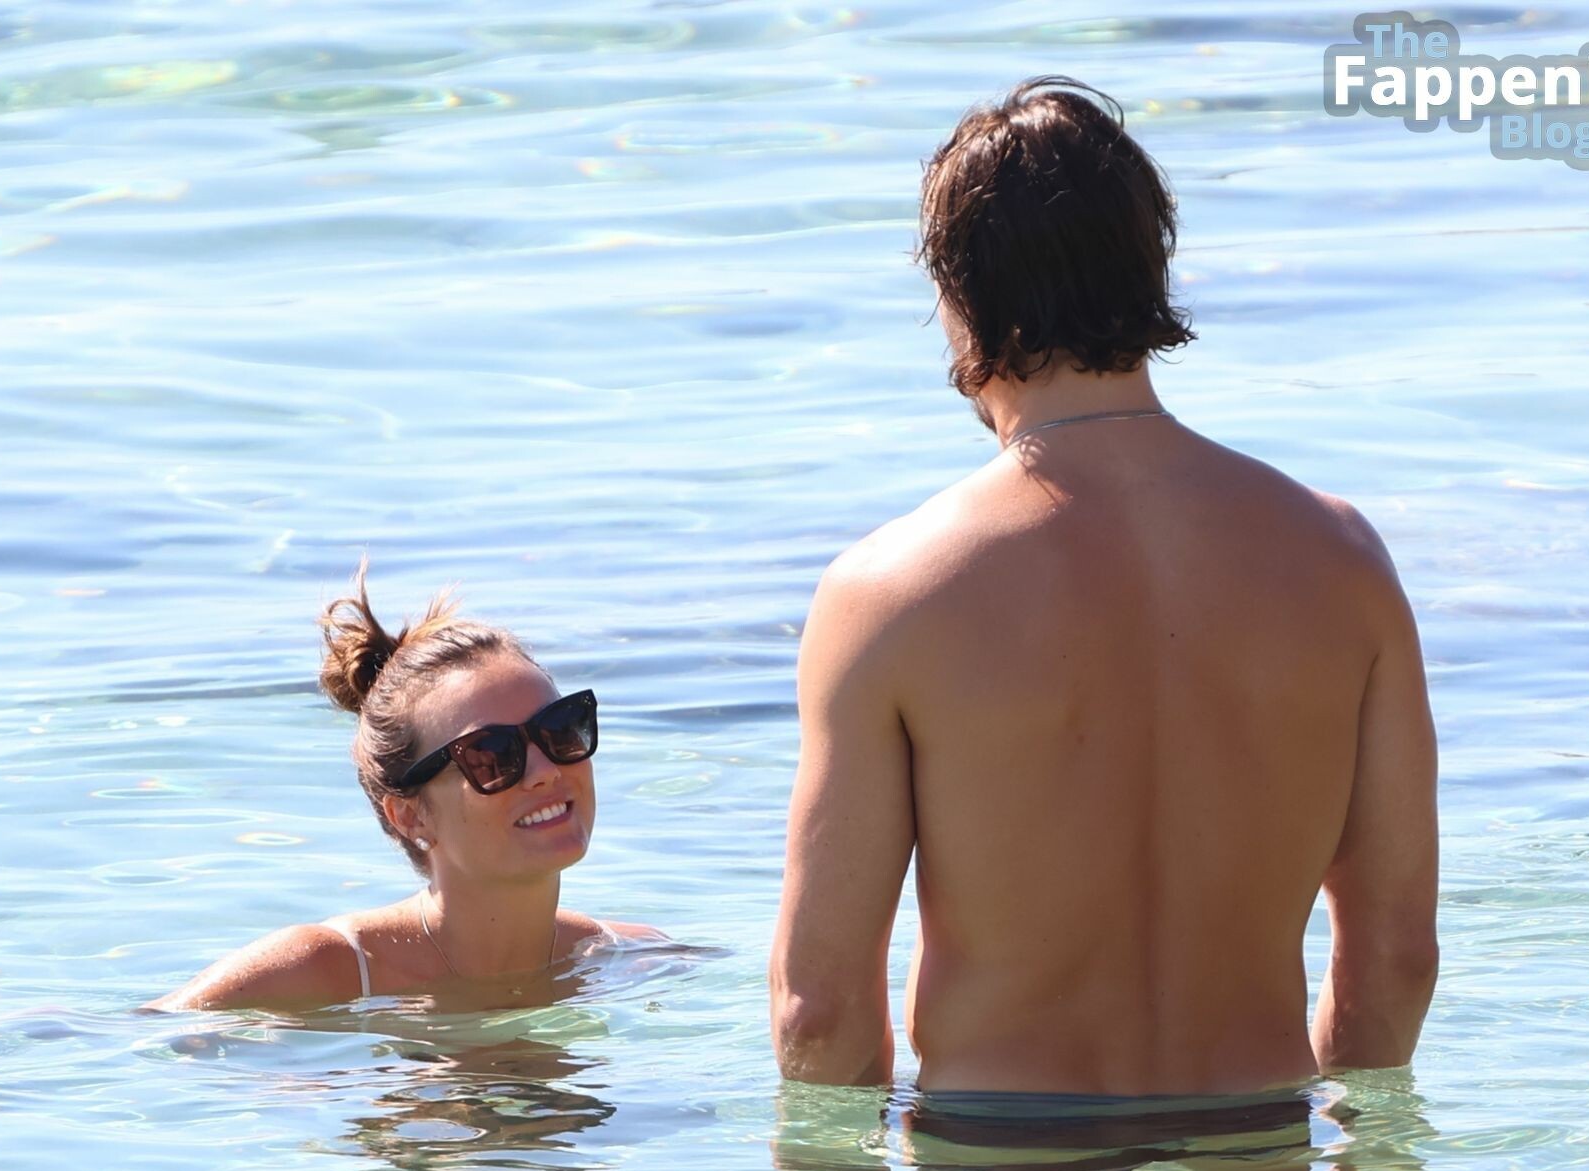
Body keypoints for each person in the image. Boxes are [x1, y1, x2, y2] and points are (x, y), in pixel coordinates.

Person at [769, 76, 1438, 1097]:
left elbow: (816, 1012)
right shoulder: (1343, 558)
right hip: (1252, 1147)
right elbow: (1395, 958)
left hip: (1000, 1164)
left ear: (959, 298)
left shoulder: (888, 593)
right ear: (1150, 263)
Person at [148, 561, 663, 1012]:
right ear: (411, 815)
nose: (545, 769)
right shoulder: (321, 971)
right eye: (491, 755)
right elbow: (134, 1043)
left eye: (560, 728)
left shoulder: (632, 962)